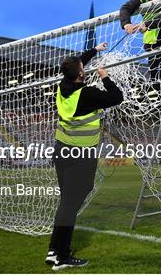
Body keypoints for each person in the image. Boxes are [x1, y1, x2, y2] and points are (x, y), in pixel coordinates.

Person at [46, 42, 123, 270]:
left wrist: (95, 50)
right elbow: (117, 97)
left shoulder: (62, 86)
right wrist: (105, 77)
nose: (84, 66)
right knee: (71, 204)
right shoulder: (88, 93)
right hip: (81, 155)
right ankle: (61, 256)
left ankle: (54, 250)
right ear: (81, 73)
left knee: (68, 202)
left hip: (62, 152)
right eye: (83, 66)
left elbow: (77, 62)